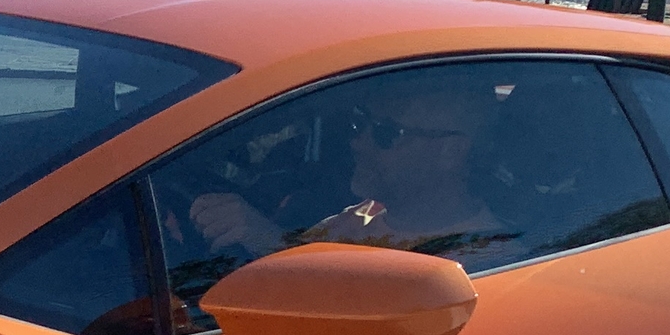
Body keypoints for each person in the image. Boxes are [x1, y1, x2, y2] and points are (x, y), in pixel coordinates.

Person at [187, 75, 515, 271]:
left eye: (386, 132)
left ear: (451, 152)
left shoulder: (481, 257)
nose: (358, 142)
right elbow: (306, 265)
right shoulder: (362, 217)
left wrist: (267, 242)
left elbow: (354, 318)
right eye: (359, 122)